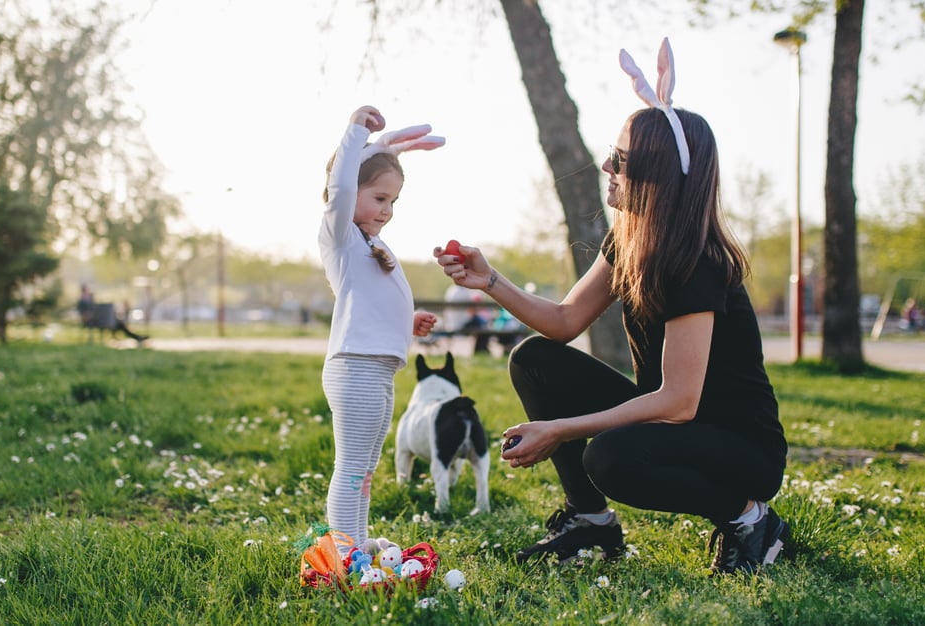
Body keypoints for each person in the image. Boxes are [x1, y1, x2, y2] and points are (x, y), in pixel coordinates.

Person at [436, 39, 788, 575]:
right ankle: (592, 524)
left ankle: (750, 520)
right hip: (674, 422)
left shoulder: (696, 261)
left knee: (609, 458)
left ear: (658, 175)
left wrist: (560, 429)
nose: (605, 165)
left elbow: (679, 402)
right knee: (534, 359)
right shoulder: (629, 240)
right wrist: (491, 282)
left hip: (740, 447)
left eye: (620, 160)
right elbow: (564, 321)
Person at [318, 105, 442, 545]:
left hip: (377, 370)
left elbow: (368, 306)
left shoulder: (372, 244)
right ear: (351, 191)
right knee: (352, 468)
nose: (387, 210)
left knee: (365, 469)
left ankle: (356, 538)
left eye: (393, 201)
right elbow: (341, 187)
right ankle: (344, 550)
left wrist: (407, 323)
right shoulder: (341, 235)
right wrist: (354, 135)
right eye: (379, 198)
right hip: (356, 370)